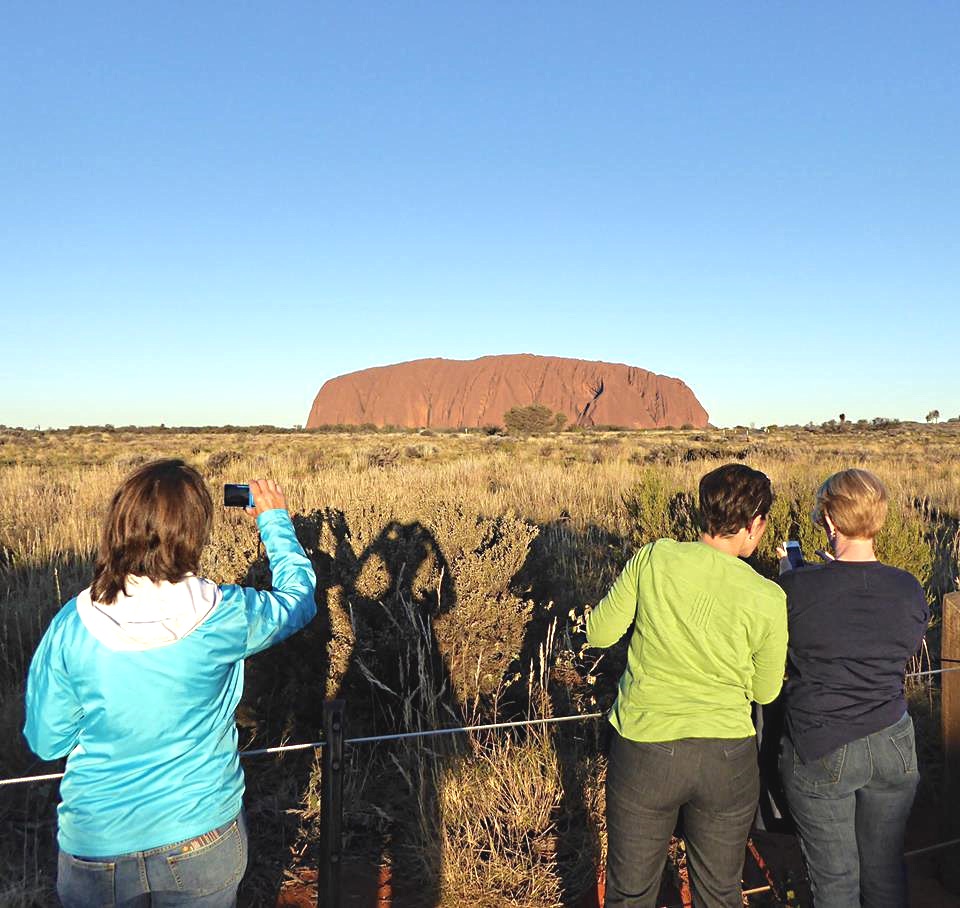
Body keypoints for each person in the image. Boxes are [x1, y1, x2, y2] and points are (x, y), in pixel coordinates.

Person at [24, 460, 317, 907]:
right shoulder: (226, 615)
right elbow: (298, 601)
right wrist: (275, 521)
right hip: (201, 836)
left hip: (97, 846)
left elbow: (46, 742)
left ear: (118, 525)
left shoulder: (71, 626)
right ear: (195, 532)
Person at [587, 463, 788, 908]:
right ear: (754, 525)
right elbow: (766, 691)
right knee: (718, 894)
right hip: (727, 759)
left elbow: (599, 633)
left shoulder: (655, 558)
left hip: (644, 750)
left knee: (630, 893)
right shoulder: (768, 596)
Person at [776, 469, 928, 908]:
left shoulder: (797, 589)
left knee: (836, 881)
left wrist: (794, 575)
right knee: (884, 874)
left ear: (829, 521)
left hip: (823, 741)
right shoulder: (908, 588)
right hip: (894, 741)